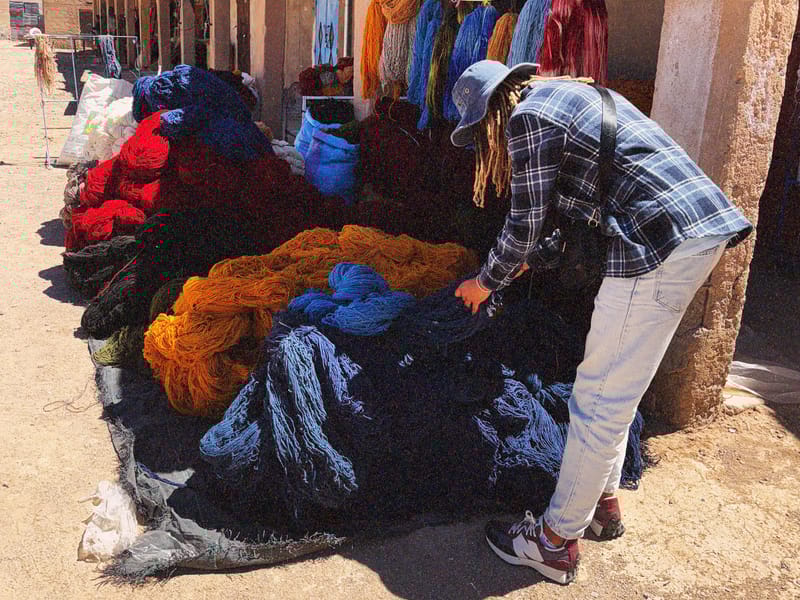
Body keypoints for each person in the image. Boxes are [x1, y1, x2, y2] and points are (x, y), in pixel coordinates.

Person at [451, 60, 753, 585]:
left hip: (655, 242)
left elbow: (523, 223)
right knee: (617, 389)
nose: (488, 145)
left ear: (494, 112)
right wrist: (529, 257)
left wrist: (486, 280)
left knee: (595, 399)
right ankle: (602, 504)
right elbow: (571, 214)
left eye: (482, 133)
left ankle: (554, 543)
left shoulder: (527, 118)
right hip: (694, 231)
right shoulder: (570, 97)